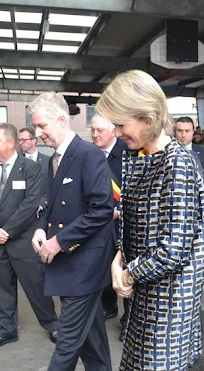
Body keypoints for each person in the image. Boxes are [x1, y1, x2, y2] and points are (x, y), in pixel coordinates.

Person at [96, 70, 204, 370]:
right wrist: (119, 258)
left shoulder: (178, 166)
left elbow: (173, 250)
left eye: (121, 124)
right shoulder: (141, 156)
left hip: (169, 302)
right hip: (145, 293)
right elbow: (130, 221)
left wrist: (128, 275)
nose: (118, 132)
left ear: (147, 118)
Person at [28, 92, 114, 371]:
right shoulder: (54, 157)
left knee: (66, 342)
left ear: (62, 120)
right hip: (68, 261)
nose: (38, 133)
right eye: (36, 127)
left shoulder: (88, 155)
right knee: (92, 338)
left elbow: (101, 209)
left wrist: (59, 242)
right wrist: (41, 229)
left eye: (42, 126)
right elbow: (49, 202)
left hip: (85, 263)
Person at [0, 123, 58, 349]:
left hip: (21, 241)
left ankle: (53, 325)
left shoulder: (30, 168)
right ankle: (6, 330)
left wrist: (8, 231)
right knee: (2, 290)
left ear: (10, 143)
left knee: (36, 286)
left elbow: (30, 204)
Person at [90, 114, 129, 335]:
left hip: (123, 222)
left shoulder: (128, 151)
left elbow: (137, 189)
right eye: (93, 130)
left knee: (124, 270)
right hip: (98, 223)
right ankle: (109, 306)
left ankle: (128, 319)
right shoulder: (90, 153)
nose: (95, 134)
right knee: (103, 266)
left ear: (113, 131)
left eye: (100, 131)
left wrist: (119, 210)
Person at [175, 116, 204, 222]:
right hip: (173, 204)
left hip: (197, 204)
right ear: (174, 131)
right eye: (180, 131)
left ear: (193, 132)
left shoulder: (203, 152)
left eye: (187, 131)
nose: (183, 135)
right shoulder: (166, 151)